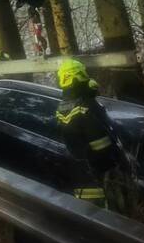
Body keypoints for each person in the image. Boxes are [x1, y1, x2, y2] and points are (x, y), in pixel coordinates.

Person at [53, 58, 134, 211]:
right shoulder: (86, 107)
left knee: (90, 216)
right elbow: (102, 144)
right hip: (101, 174)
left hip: (80, 177)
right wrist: (119, 161)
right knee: (113, 215)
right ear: (78, 75)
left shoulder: (62, 108)